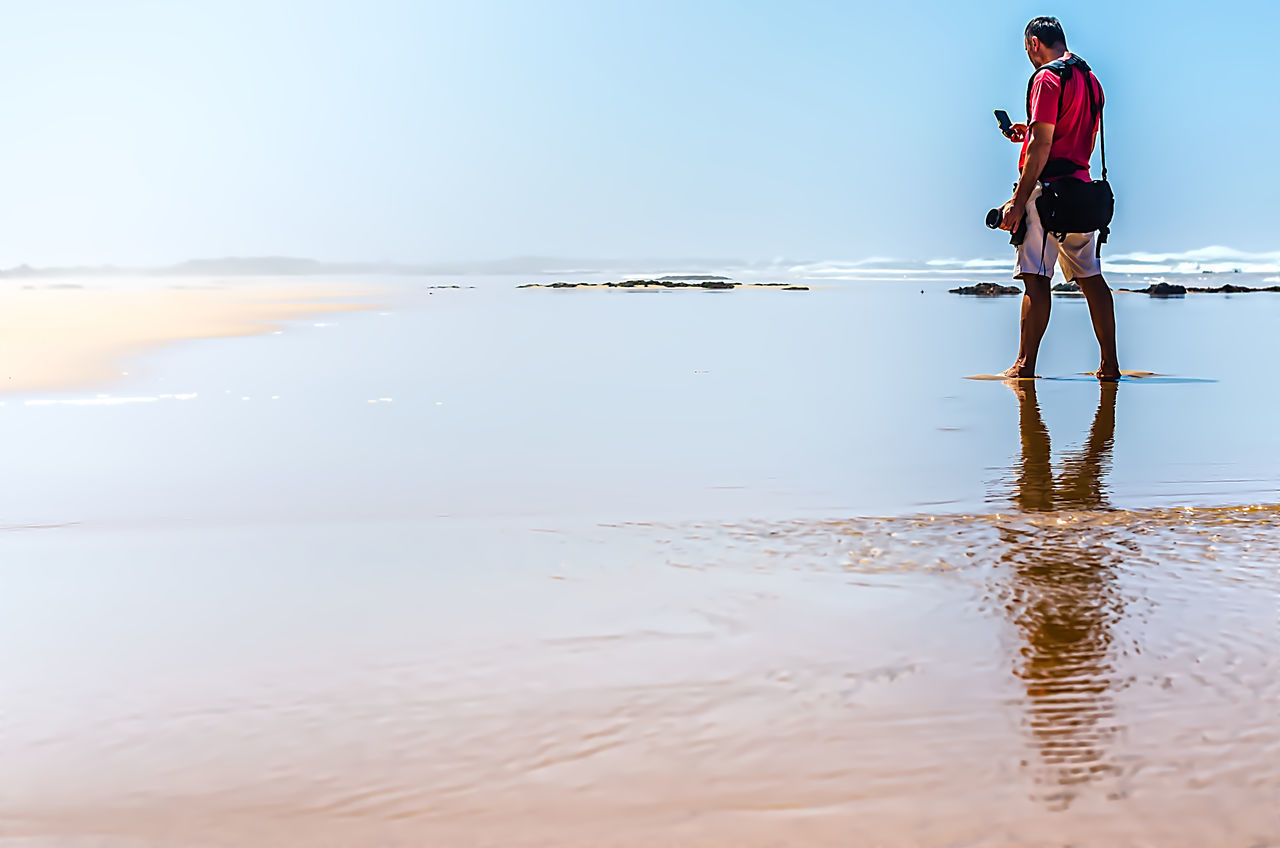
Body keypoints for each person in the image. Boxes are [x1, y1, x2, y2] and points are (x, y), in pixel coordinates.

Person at [998, 16, 1120, 381]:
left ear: (1035, 43)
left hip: (1047, 193)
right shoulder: (1090, 80)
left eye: (1027, 50)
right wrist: (1029, 131)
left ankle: (1024, 366)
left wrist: (1019, 201)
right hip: (1080, 192)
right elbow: (1070, 132)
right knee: (1092, 279)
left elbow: (1044, 143)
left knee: (1036, 279)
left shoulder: (1047, 77)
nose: (1029, 58)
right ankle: (1109, 365)